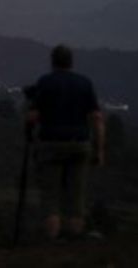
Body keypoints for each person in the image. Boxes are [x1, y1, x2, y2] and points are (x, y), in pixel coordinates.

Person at [25, 45, 105, 241]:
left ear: (52, 62)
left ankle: (52, 245)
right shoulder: (85, 84)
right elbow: (96, 119)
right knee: (76, 198)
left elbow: (33, 117)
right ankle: (73, 246)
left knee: (50, 198)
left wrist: (31, 132)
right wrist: (99, 149)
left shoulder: (46, 82)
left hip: (51, 145)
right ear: (71, 62)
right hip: (79, 145)